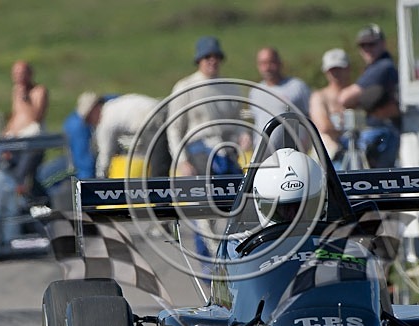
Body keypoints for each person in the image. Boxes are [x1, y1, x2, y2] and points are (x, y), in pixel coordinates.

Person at [168, 36, 245, 262]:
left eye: (216, 57)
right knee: (203, 212)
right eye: (207, 57)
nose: (212, 61)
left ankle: (236, 256)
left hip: (226, 151)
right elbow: (174, 129)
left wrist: (243, 136)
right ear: (199, 60)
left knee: (240, 202)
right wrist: (181, 159)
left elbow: (237, 122)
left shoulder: (230, 86)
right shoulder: (185, 87)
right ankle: (210, 268)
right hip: (198, 150)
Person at [339, 24, 401, 168]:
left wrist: (359, 103)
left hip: (382, 133)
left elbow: (345, 98)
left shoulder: (382, 67)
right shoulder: (378, 67)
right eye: (363, 45)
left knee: (376, 181)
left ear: (383, 44)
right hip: (380, 133)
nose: (367, 49)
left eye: (372, 44)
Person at [248, 47, 311, 149]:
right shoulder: (255, 92)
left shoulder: (297, 87)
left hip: (292, 153)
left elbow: (311, 118)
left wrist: (306, 144)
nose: (267, 68)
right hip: (262, 156)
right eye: (263, 63)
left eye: (271, 62)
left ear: (280, 63)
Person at [94, 93, 169, 179]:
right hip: (160, 109)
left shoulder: (106, 121)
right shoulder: (112, 106)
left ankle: (159, 186)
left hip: (151, 119)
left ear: (95, 110)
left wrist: (102, 175)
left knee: (158, 167)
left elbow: (105, 152)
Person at [3, 60, 50, 193]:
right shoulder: (15, 91)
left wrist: (25, 97)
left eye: (22, 73)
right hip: (14, 140)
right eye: (16, 73)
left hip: (32, 142)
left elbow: (36, 117)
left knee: (23, 175)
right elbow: (16, 115)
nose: (19, 77)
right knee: (8, 172)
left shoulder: (39, 91)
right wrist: (5, 134)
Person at [309, 48, 353, 166]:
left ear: (348, 68)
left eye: (339, 69)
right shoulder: (319, 96)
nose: (336, 73)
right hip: (329, 155)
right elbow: (323, 126)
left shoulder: (356, 93)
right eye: (332, 70)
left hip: (354, 153)